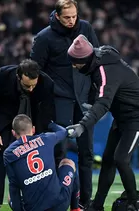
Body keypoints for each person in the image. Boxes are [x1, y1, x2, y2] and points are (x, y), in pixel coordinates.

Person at [66, 34, 139, 211]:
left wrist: (83, 124)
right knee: (108, 160)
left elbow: (104, 102)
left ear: (85, 59)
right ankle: (97, 206)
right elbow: (99, 93)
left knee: (121, 159)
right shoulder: (97, 64)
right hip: (122, 116)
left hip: (138, 115)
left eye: (76, 62)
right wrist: (92, 104)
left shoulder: (105, 70)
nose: (74, 66)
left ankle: (133, 203)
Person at [30, 0, 99, 208]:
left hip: (84, 99)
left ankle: (84, 202)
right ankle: (56, 200)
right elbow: (34, 70)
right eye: (67, 17)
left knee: (86, 153)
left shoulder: (86, 28)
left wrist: (95, 95)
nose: (72, 21)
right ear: (57, 16)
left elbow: (97, 59)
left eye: (74, 16)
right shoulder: (44, 37)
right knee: (58, 151)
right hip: (58, 101)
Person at [0, 59, 55, 211]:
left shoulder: (46, 83)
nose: (30, 89)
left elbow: (46, 112)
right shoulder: (4, 75)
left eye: (33, 85)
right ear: (18, 76)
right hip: (6, 124)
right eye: (26, 85)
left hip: (33, 126)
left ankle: (40, 204)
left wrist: (39, 135)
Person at [4, 114, 80, 211]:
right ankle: (75, 208)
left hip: (33, 209)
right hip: (59, 205)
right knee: (68, 162)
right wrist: (50, 124)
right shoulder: (46, 138)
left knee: (11, 195)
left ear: (13, 133)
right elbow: (63, 131)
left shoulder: (8, 153)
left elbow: (13, 186)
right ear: (33, 129)